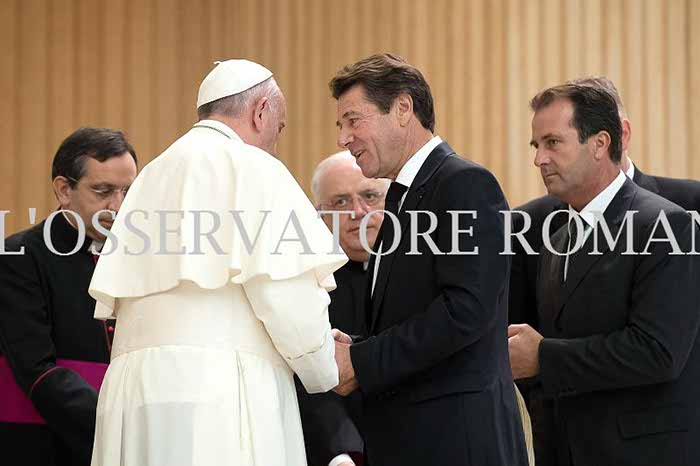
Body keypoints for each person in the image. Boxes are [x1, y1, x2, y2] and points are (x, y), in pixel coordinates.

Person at [88, 59, 346, 466]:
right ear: (261, 112)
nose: (276, 144)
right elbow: (286, 299)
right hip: (220, 395)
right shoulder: (257, 168)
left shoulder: (149, 177)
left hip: (133, 395)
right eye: (279, 130)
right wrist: (324, 369)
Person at [329, 53, 529, 466]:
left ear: (402, 109)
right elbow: (412, 314)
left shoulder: (465, 184)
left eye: (353, 120)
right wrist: (359, 345)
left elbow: (465, 311)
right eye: (340, 125)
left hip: (459, 443)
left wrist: (361, 361)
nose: (343, 138)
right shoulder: (402, 197)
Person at [508, 76, 700, 466]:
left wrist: (543, 356)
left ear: (600, 143)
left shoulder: (668, 223)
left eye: (553, 143)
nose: (539, 159)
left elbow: (657, 351)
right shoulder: (554, 235)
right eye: (536, 145)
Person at [0, 127, 137, 466]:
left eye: (128, 192)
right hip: (45, 440)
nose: (118, 206)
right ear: (64, 189)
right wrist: (115, 427)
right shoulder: (20, 255)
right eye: (103, 191)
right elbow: (37, 368)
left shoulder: (138, 256)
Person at [296, 151, 388, 466]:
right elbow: (308, 377)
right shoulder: (305, 283)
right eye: (340, 203)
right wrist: (343, 452)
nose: (358, 212)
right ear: (318, 215)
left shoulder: (419, 269)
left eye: (369, 196)